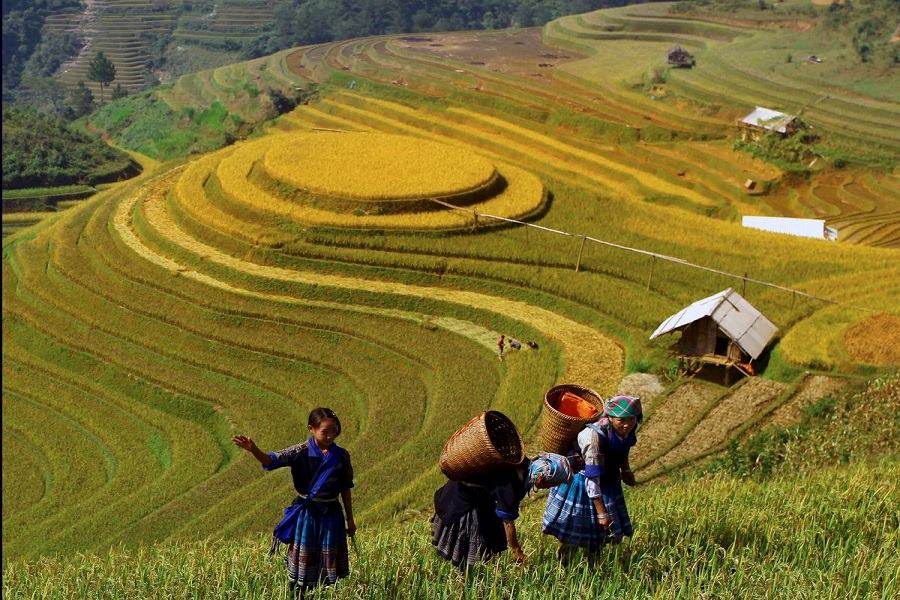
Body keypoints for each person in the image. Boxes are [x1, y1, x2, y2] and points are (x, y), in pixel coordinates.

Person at [232, 407, 355, 596]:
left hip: (332, 514)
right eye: (325, 431)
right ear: (311, 429)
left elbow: (346, 487)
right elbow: (271, 460)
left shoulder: (342, 456)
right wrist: (253, 449)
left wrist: (350, 519)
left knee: (329, 564)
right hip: (307, 514)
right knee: (303, 567)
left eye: (334, 430)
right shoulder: (300, 451)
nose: (331, 436)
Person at [432, 453, 572, 568]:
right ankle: (469, 579)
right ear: (540, 479)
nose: (548, 488)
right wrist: (516, 550)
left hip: (478, 499)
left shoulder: (524, 464)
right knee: (471, 552)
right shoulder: (512, 483)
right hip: (464, 502)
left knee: (488, 543)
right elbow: (507, 521)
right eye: (550, 484)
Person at [542, 395, 642, 556]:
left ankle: (592, 564)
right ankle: (564, 563)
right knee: (575, 530)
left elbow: (624, 447)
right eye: (621, 420)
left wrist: (626, 470)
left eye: (631, 419)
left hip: (608, 478)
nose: (627, 424)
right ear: (609, 417)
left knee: (599, 535)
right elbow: (592, 479)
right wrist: (602, 513)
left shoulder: (627, 430)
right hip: (583, 481)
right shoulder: (592, 437)